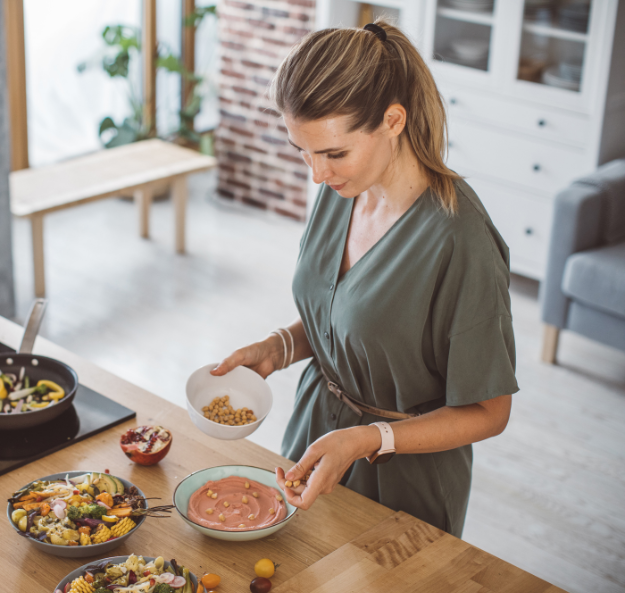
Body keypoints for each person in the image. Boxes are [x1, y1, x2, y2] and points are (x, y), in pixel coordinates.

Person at [211, 20, 518, 538]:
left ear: (393, 120)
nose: (317, 174)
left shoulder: (460, 240)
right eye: (302, 151)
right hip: (315, 435)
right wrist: (278, 348)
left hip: (406, 475)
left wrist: (367, 439)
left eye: (333, 153)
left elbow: (489, 412)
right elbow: (349, 316)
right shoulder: (342, 191)